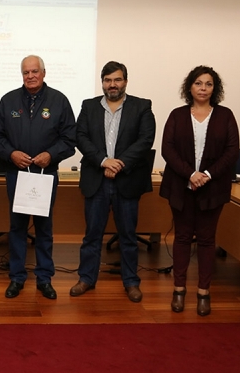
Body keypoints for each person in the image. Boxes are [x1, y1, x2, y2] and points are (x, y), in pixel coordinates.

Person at [0, 55, 76, 300]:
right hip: (17, 174)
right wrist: (11, 153)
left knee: (44, 228)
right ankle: (17, 277)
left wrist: (51, 155)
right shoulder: (8, 100)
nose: (30, 76)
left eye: (34, 71)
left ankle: (44, 278)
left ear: (43, 73)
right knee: (17, 227)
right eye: (26, 72)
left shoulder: (59, 101)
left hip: (45, 175)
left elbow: (70, 139)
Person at [71, 61, 156, 302]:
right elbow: (81, 137)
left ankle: (131, 282)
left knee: (128, 236)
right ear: (102, 82)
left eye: (117, 79)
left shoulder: (142, 106)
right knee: (92, 235)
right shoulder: (89, 106)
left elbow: (145, 139)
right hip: (96, 180)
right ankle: (86, 278)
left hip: (126, 180)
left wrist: (119, 163)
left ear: (125, 81)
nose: (112, 84)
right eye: (108, 80)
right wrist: (103, 161)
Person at [159, 65, 239, 316]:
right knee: (182, 238)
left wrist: (207, 175)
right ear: (190, 87)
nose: (203, 88)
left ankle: (204, 292)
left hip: (212, 188)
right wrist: (191, 174)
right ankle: (179, 290)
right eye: (198, 83)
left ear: (215, 89)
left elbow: (232, 151)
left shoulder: (225, 115)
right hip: (181, 186)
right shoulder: (177, 115)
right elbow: (167, 149)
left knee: (206, 240)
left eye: (208, 84)